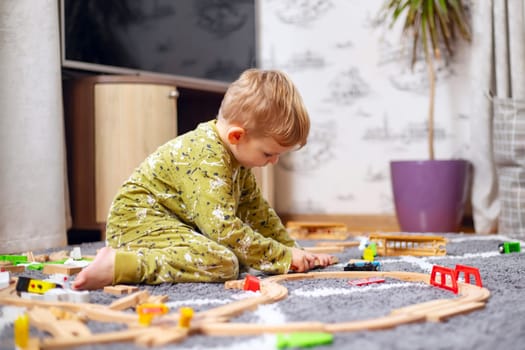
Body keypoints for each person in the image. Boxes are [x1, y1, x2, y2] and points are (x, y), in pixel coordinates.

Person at [73, 69, 334, 291]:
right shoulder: (207, 157)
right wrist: (283, 257)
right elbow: (223, 230)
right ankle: (122, 264)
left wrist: (295, 251)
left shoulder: (237, 159)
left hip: (171, 223)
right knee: (224, 262)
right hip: (137, 225)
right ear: (236, 136)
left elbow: (258, 214)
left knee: (239, 256)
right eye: (268, 153)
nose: (273, 161)